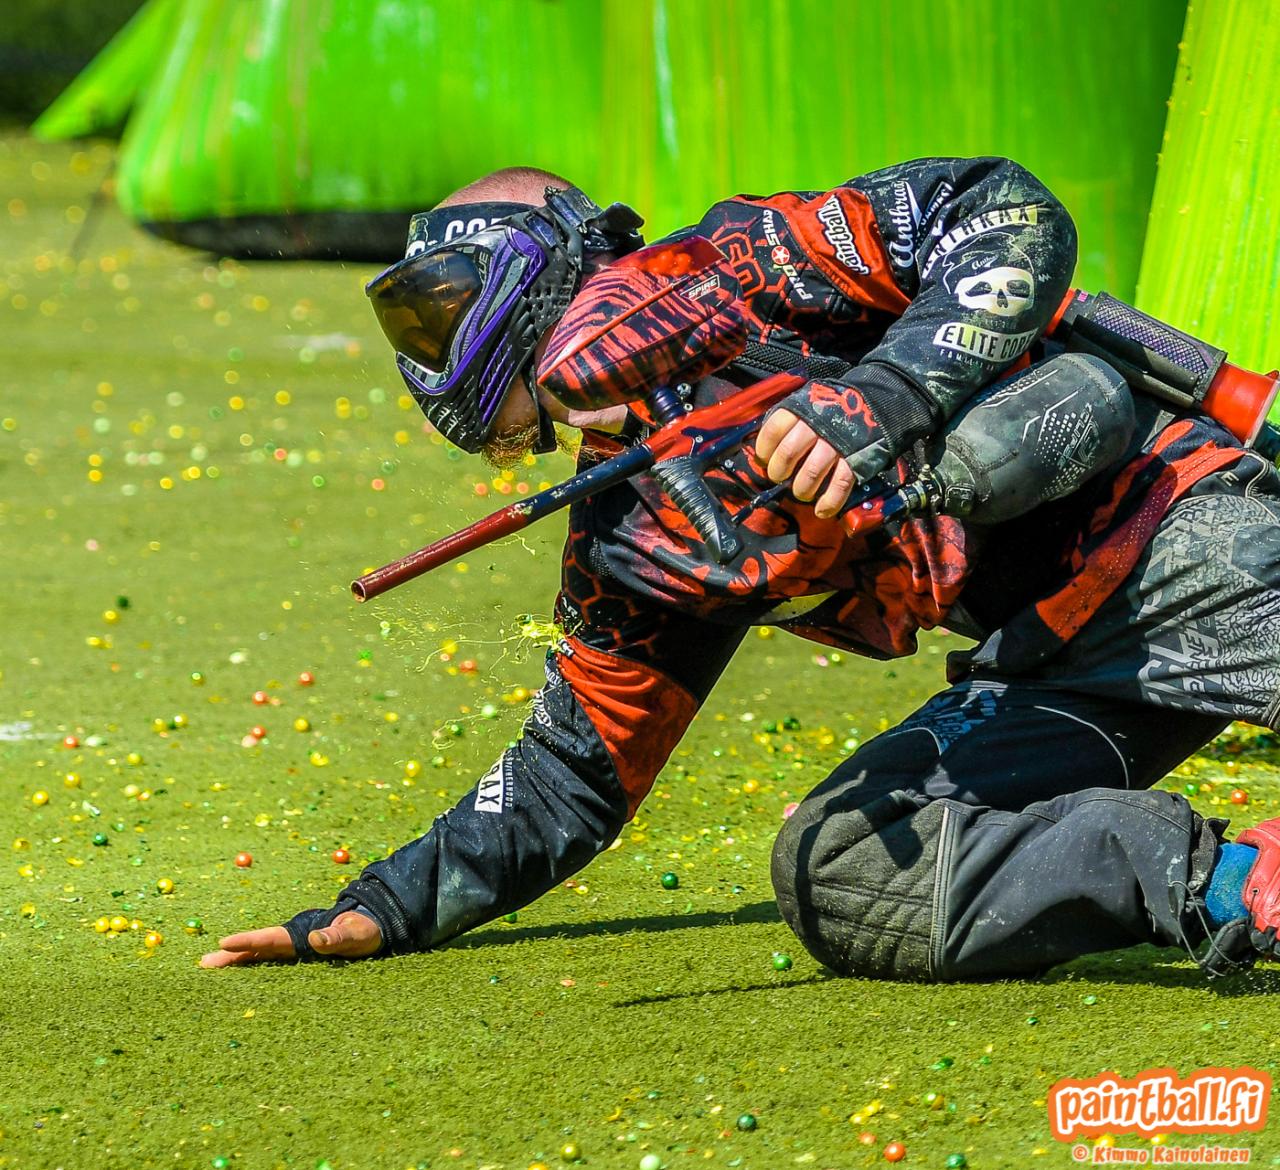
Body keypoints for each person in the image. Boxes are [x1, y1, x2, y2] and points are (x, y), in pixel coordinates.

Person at [201, 159, 1280, 979]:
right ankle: (1238, 886)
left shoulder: (752, 269)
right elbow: (571, 772)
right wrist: (387, 905)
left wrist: (887, 395)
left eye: (439, 304)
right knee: (840, 867)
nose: (429, 341)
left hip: (1192, 533)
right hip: (1055, 664)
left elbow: (1004, 209)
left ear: (538, 265)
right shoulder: (635, 534)